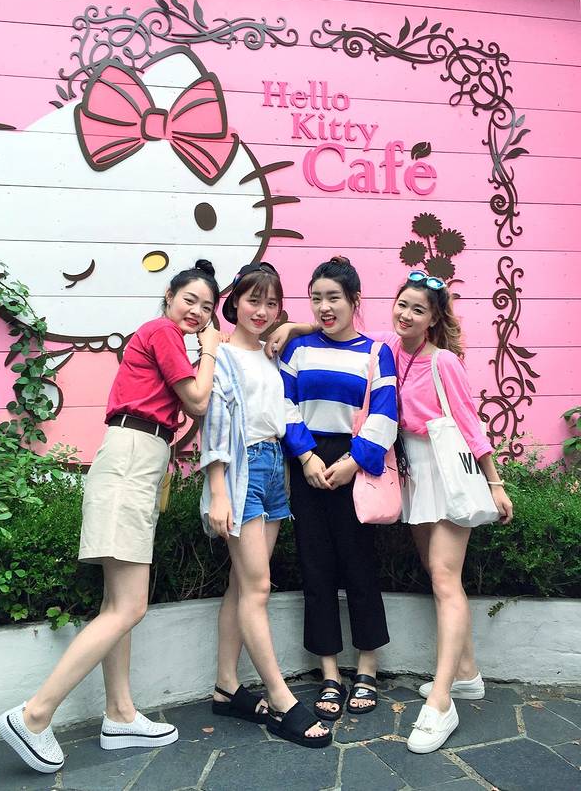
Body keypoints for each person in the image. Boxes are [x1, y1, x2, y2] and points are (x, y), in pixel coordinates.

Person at [269, 269, 513, 754]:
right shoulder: (390, 346)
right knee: (432, 571)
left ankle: (441, 700)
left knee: (443, 578)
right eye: (402, 305)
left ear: (433, 318)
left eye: (418, 309)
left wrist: (495, 482)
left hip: (441, 469)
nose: (406, 315)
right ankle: (466, 674)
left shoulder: (442, 361)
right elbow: (334, 327)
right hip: (409, 474)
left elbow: (470, 424)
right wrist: (294, 326)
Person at [0, 260, 222, 774]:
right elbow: (197, 400)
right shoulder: (163, 331)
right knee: (130, 607)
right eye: (189, 300)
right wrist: (209, 347)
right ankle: (34, 715)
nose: (197, 312)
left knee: (115, 603)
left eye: (207, 307)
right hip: (132, 458)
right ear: (169, 296)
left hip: (138, 457)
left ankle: (120, 715)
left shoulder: (161, 334)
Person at [200, 262, 332, 749]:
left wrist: (291, 327)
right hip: (241, 471)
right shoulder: (221, 354)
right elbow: (213, 426)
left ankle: (226, 686)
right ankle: (281, 700)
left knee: (241, 583)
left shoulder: (273, 351)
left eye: (272, 303)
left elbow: (323, 324)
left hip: (276, 468)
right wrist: (218, 491)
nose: (262, 311)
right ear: (234, 301)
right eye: (253, 300)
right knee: (258, 587)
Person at [278, 256, 398, 726]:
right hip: (308, 460)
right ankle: (329, 673)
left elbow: (385, 414)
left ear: (354, 300)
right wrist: (306, 457)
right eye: (316, 299)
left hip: (355, 463)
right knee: (316, 568)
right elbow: (283, 404)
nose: (325, 307)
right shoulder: (298, 348)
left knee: (359, 565)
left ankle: (367, 668)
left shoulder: (376, 352)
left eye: (334, 298)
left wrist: (353, 461)